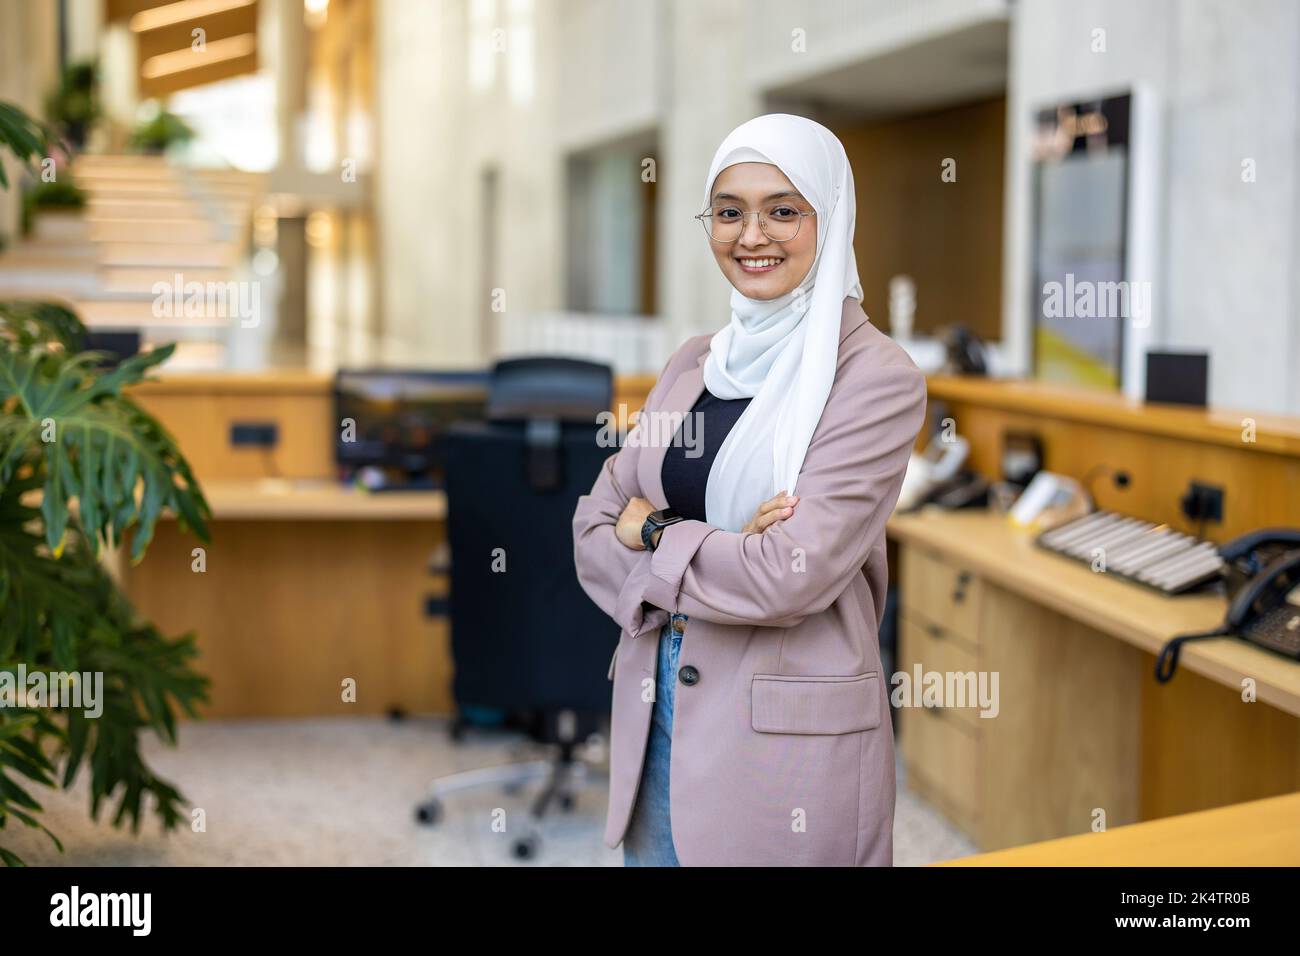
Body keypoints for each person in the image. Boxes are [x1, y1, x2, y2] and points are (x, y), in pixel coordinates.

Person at [572, 113, 927, 866]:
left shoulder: (875, 378)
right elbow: (591, 530)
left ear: (829, 218)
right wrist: (731, 543)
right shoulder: (696, 361)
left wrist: (657, 531)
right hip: (657, 698)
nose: (751, 235)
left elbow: (786, 577)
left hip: (784, 738)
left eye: (783, 210)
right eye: (729, 211)